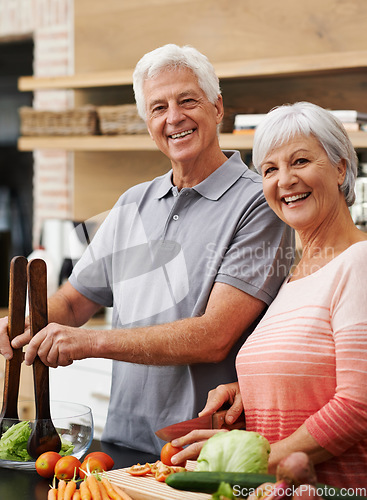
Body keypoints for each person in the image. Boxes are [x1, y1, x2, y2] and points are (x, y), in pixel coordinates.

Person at [0, 44, 293, 455]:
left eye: (187, 100)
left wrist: (89, 344)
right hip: (121, 441)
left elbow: (214, 337)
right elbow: (72, 301)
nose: (174, 117)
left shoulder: (259, 204)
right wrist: (27, 324)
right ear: (148, 122)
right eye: (158, 108)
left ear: (217, 107)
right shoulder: (133, 203)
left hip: (203, 449)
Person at [170, 102, 367, 489]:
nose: (286, 180)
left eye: (301, 161)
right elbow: (320, 369)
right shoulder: (293, 277)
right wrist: (252, 390)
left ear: (341, 168)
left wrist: (251, 462)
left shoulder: (359, 262)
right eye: (270, 170)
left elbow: (357, 408)